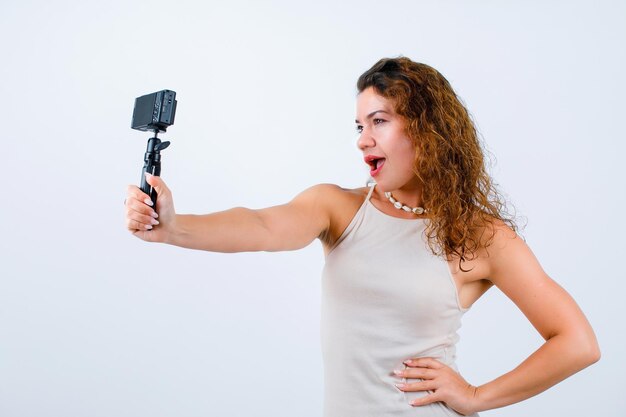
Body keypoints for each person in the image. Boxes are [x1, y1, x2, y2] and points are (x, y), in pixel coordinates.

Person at [124, 57, 600, 416]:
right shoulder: (338, 207)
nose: (362, 139)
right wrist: (173, 227)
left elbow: (577, 342)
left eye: (379, 121)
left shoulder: (481, 236)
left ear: (427, 130)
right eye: (359, 125)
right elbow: (264, 224)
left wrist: (476, 397)